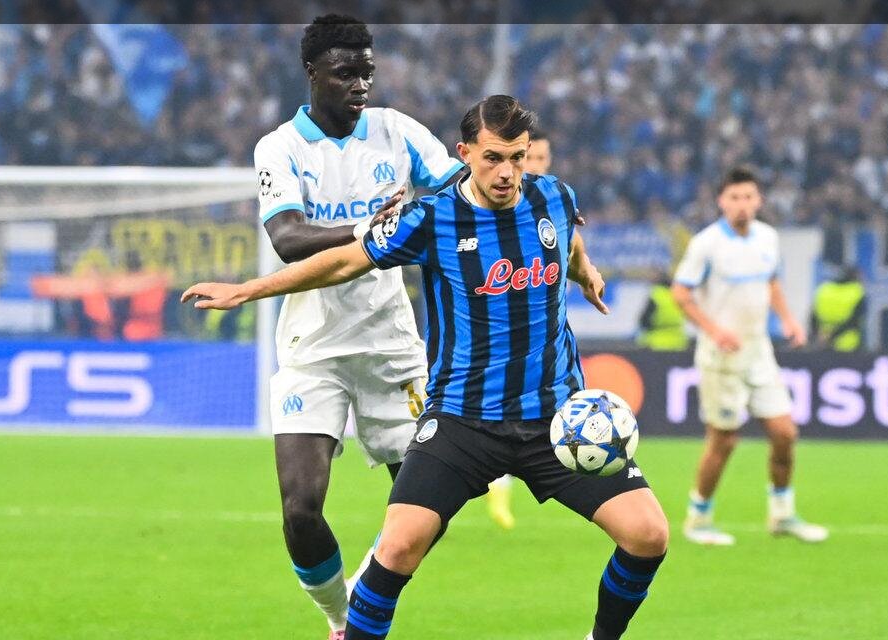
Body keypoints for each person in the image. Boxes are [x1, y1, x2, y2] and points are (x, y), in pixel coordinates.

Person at [183, 95, 669, 640]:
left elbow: (569, 241)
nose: (506, 173)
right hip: (462, 422)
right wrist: (248, 290)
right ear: (465, 154)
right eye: (492, 158)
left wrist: (586, 271)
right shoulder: (432, 218)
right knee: (396, 548)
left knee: (649, 535)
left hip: (554, 422)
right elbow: (343, 261)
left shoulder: (553, 195)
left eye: (517, 157)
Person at [250, 16, 465, 640]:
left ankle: (365, 590)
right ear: (312, 72)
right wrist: (375, 228)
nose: (360, 84)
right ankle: (341, 619)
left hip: (391, 347)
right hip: (312, 347)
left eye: (367, 72)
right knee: (300, 510)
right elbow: (288, 238)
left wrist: (532, 197)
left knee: (429, 505)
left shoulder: (397, 132)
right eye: (346, 72)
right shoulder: (280, 148)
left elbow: (464, 191)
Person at [670, 166, 828, 546]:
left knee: (785, 433)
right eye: (734, 197)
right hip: (721, 357)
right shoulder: (707, 244)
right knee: (724, 441)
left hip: (759, 351)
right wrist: (715, 330)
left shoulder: (768, 238)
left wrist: (788, 319)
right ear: (721, 202)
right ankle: (698, 519)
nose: (742, 204)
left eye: (748, 197)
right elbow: (681, 293)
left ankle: (782, 515)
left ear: (759, 200)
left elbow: (771, 282)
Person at [485, 124, 552, 530]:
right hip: (490, 345)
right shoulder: (486, 209)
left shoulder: (552, 206)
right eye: (531, 158)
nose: (535, 166)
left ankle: (501, 491)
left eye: (539, 158)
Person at [810, 265, 866, 352]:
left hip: (822, 342)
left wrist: (818, 335)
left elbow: (813, 317)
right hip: (848, 344)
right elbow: (854, 321)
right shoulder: (857, 291)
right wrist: (833, 335)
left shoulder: (824, 289)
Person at [636, 268, 690, 352]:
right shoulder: (677, 294)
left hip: (656, 343)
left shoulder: (656, 294)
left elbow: (644, 321)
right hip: (678, 341)